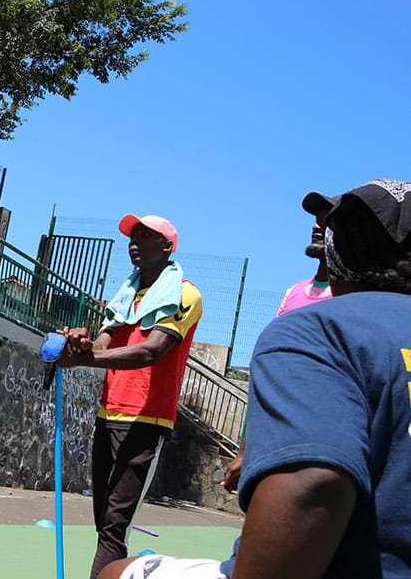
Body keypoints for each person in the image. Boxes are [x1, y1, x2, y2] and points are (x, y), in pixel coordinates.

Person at [98, 179, 411, 579]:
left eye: (334, 225)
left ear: (342, 250)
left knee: (116, 571)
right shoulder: (310, 309)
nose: (320, 228)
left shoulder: (319, 331)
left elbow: (314, 484)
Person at [57, 214, 203, 578]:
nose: (133, 242)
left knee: (113, 528)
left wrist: (85, 358)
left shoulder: (185, 294)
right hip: (109, 416)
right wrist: (79, 342)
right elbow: (103, 342)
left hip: (146, 421)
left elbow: (152, 351)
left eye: (144, 236)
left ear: (167, 246)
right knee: (104, 524)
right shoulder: (126, 294)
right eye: (131, 236)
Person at [221, 190, 337, 493]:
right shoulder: (293, 293)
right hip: (277, 438)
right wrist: (247, 449)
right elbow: (271, 372)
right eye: (315, 220)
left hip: (320, 443)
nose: (316, 226)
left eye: (327, 221)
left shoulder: (353, 298)